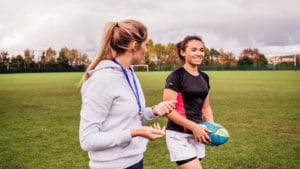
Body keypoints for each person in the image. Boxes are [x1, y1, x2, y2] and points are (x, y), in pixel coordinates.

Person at [79, 19, 176, 169]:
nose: (146, 49)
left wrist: (154, 111)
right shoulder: (101, 80)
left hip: (135, 161)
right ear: (134, 45)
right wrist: (136, 132)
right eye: (146, 44)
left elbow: (131, 115)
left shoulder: (129, 73)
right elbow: (87, 140)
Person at [163, 35, 214, 169]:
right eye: (193, 50)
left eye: (201, 50)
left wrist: (212, 127)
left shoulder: (204, 77)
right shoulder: (177, 76)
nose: (199, 53)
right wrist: (193, 127)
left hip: (198, 134)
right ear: (183, 52)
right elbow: (168, 110)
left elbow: (206, 108)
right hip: (179, 135)